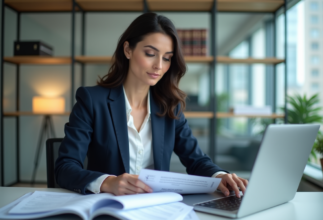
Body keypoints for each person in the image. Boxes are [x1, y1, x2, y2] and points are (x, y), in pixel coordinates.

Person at [55, 12, 248, 198]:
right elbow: (65, 168)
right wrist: (107, 182)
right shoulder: (92, 100)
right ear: (128, 50)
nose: (159, 66)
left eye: (166, 58)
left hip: (156, 207)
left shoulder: (171, 106)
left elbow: (196, 160)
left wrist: (220, 176)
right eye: (150, 54)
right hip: (108, 207)